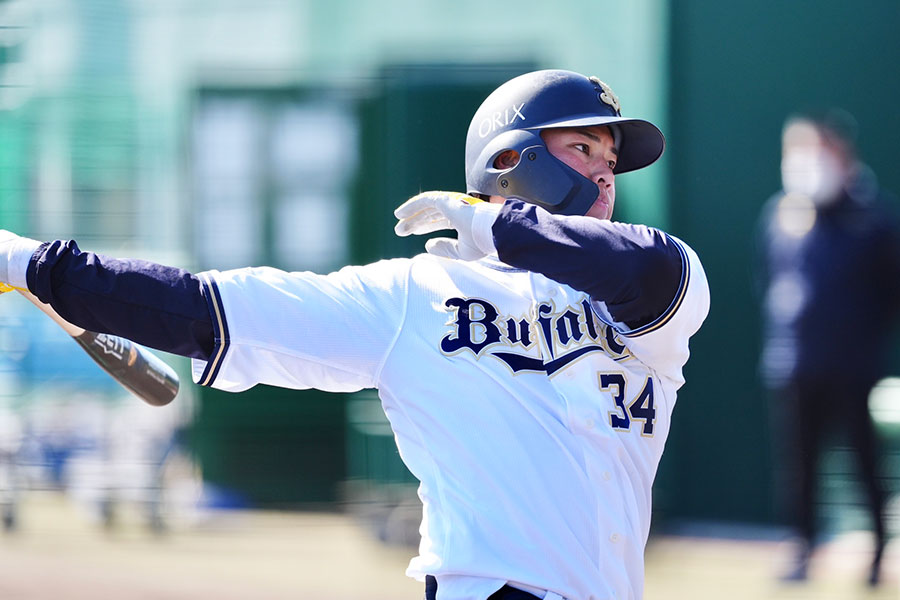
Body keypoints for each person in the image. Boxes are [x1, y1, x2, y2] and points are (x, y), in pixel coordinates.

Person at [0, 69, 709, 600]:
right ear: (510, 161)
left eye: (610, 162)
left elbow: (640, 266)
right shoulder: (414, 296)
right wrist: (29, 264)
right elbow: (202, 309)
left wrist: (495, 224)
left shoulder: (655, 291)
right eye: (583, 149)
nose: (604, 175)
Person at [757, 109, 899, 586]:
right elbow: (770, 281)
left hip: (854, 367)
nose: (804, 162)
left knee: (864, 462)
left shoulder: (874, 219)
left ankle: (879, 554)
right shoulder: (780, 213)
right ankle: (800, 548)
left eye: (815, 150)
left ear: (840, 154)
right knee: (798, 465)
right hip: (792, 363)